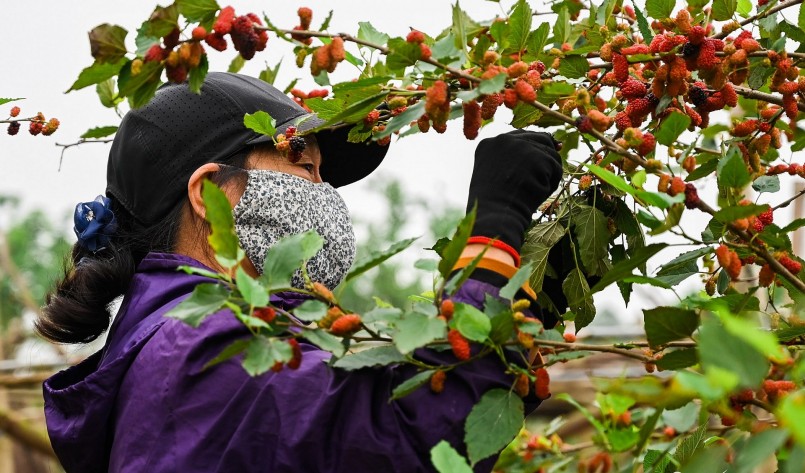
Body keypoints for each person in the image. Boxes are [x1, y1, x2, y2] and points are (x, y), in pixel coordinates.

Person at [39, 72, 563, 473]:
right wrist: (494, 233)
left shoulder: (188, 341)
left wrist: (511, 309)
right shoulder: (205, 346)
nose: (324, 195)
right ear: (210, 193)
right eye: (304, 167)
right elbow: (408, 441)